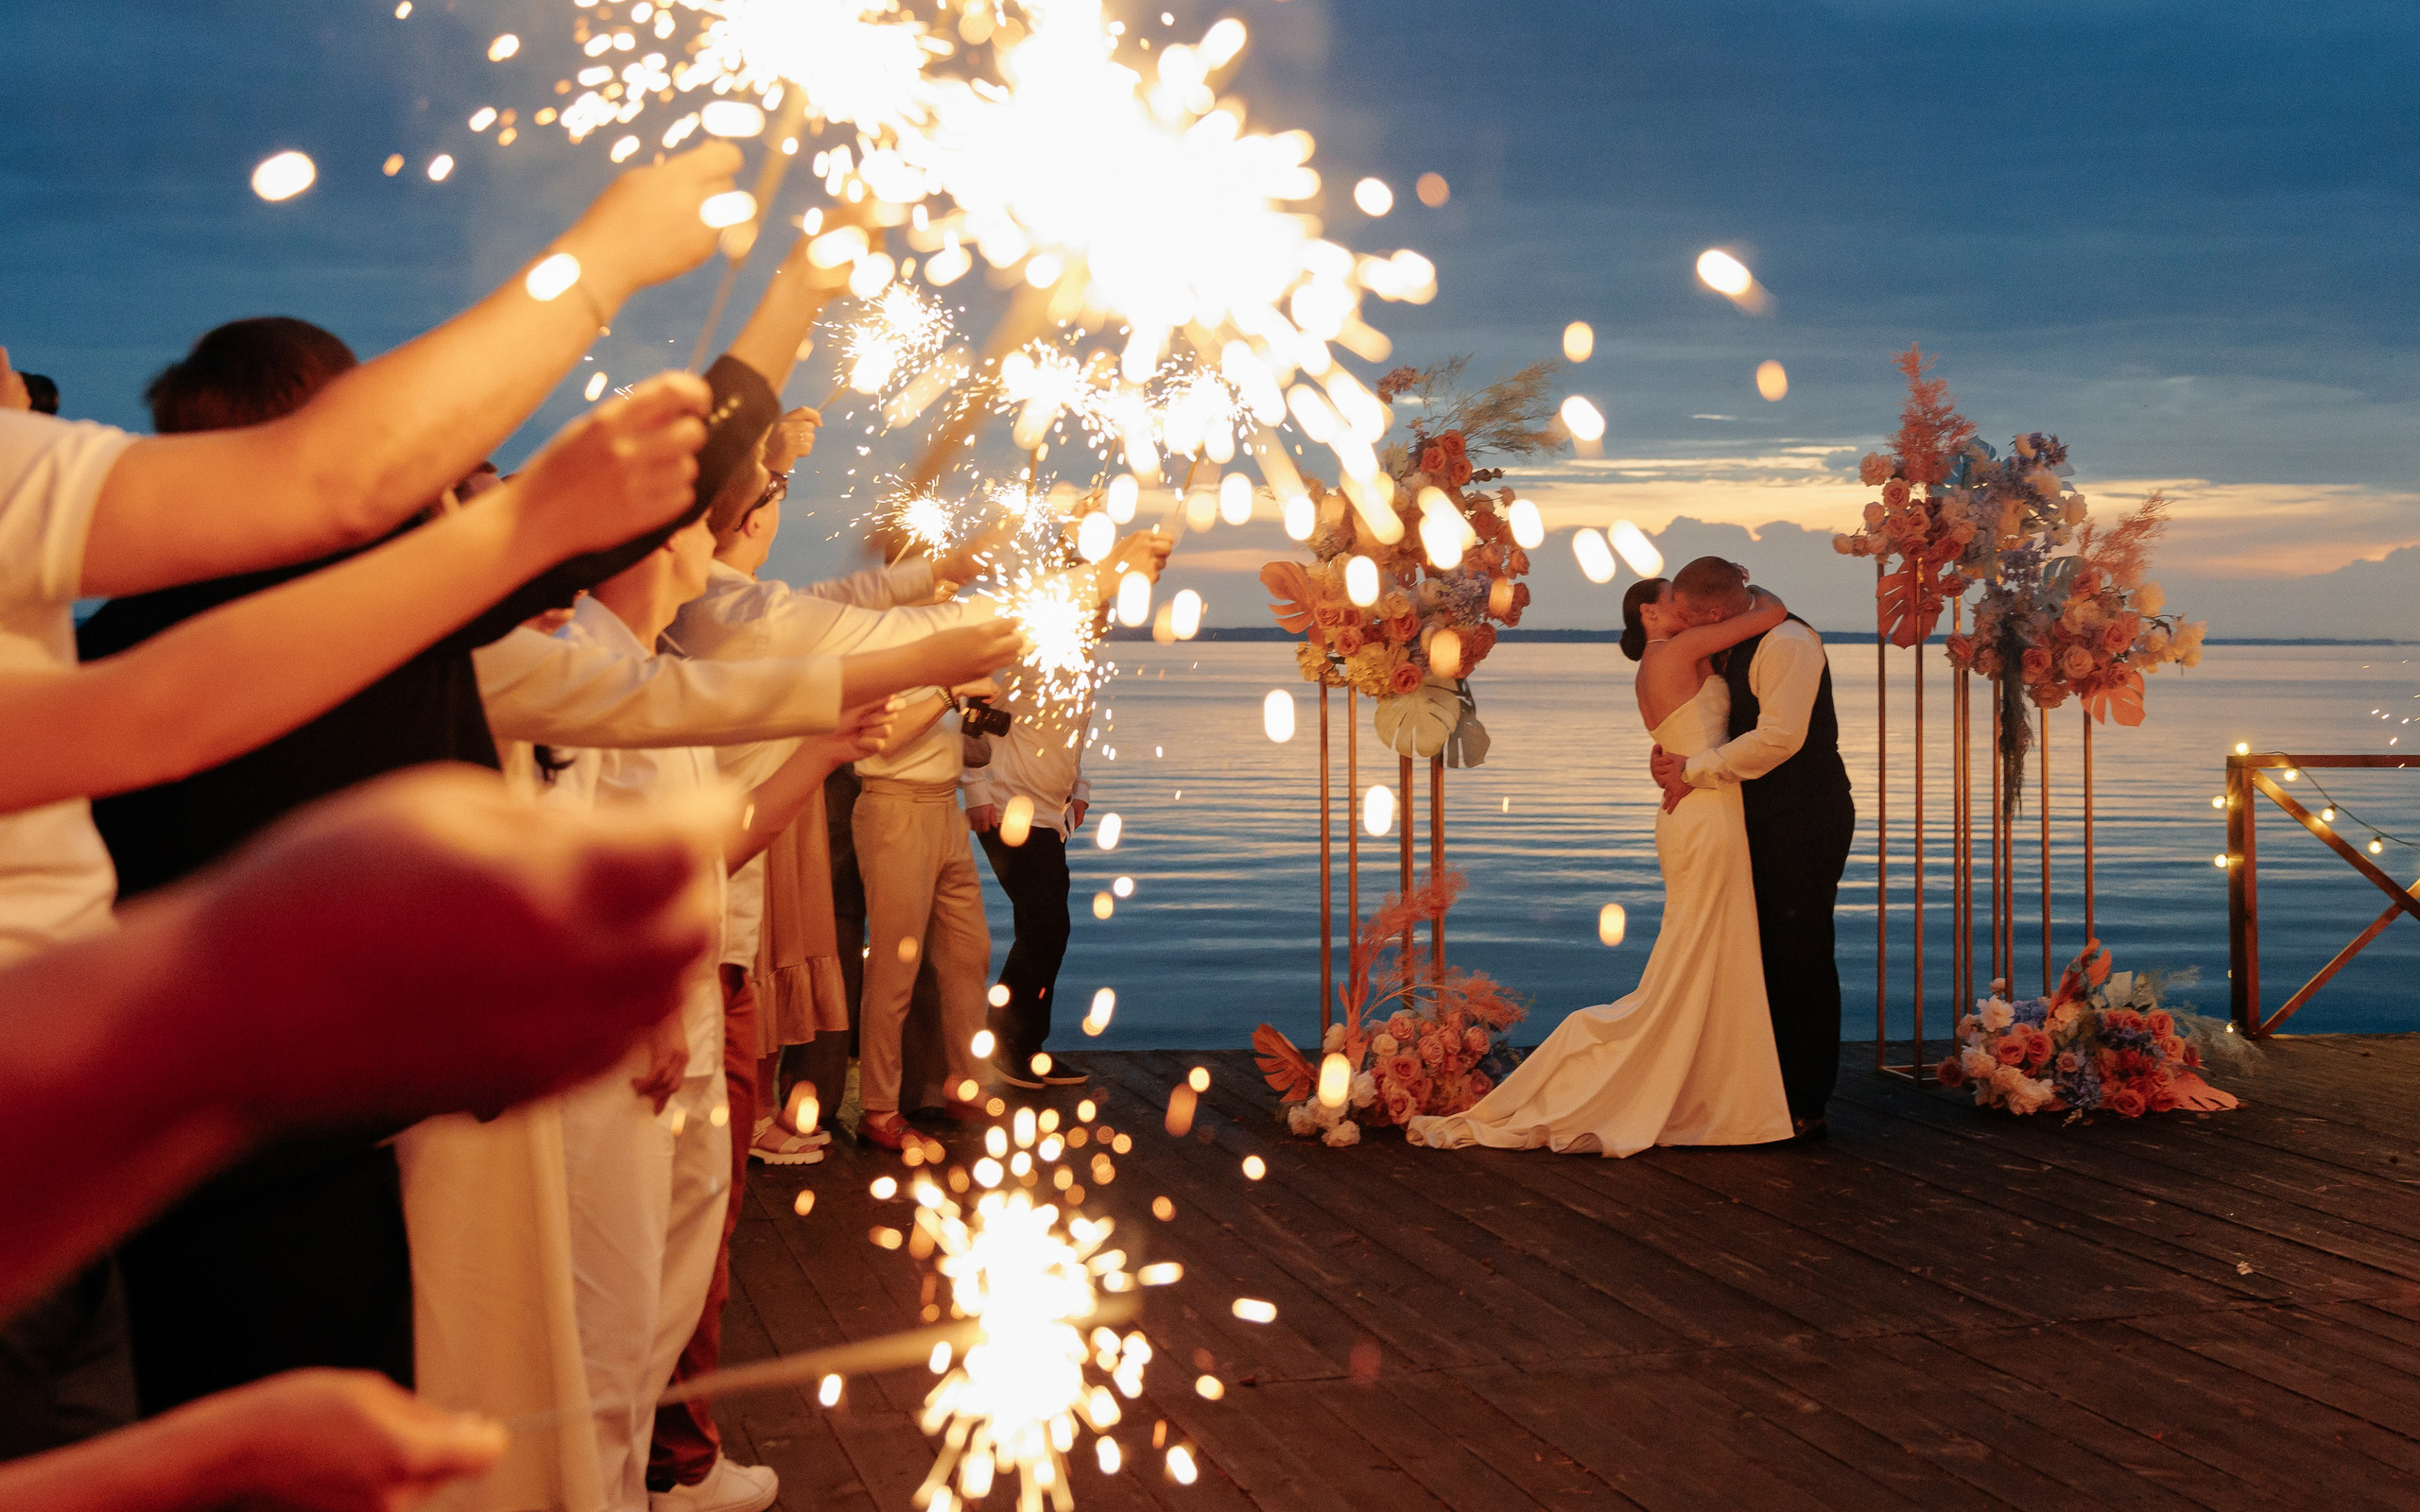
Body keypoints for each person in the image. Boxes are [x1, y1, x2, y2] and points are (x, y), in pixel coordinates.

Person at [1407, 568, 1794, 1155]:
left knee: (1710, 950)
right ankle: (1678, 1083)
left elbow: (1684, 729)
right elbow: (1771, 611)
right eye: (1674, 602)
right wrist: (1745, 584)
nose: (1686, 612)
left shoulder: (1667, 657)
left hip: (1699, 804)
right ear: (1651, 616)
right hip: (1705, 813)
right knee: (1696, 953)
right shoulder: (1678, 649)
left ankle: (1717, 1088)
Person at [1651, 555, 1858, 1142]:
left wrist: (1695, 769)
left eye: (1690, 616)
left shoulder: (1789, 643)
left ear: (1716, 612)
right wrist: (1677, 755)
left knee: (1801, 951)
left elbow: (1778, 739)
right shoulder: (1744, 632)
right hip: (1753, 815)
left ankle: (1807, 1101)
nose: (1685, 625)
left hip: (1805, 815)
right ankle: (1762, 1088)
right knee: (1759, 949)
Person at [962, 647, 1095, 1092]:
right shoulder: (1017, 650)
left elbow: (1077, 729)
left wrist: (1080, 785)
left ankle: (1028, 1047)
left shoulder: (1083, 657)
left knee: (1047, 931)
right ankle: (1002, 1042)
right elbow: (969, 716)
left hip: (1050, 815)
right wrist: (975, 789)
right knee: (1045, 927)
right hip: (1007, 809)